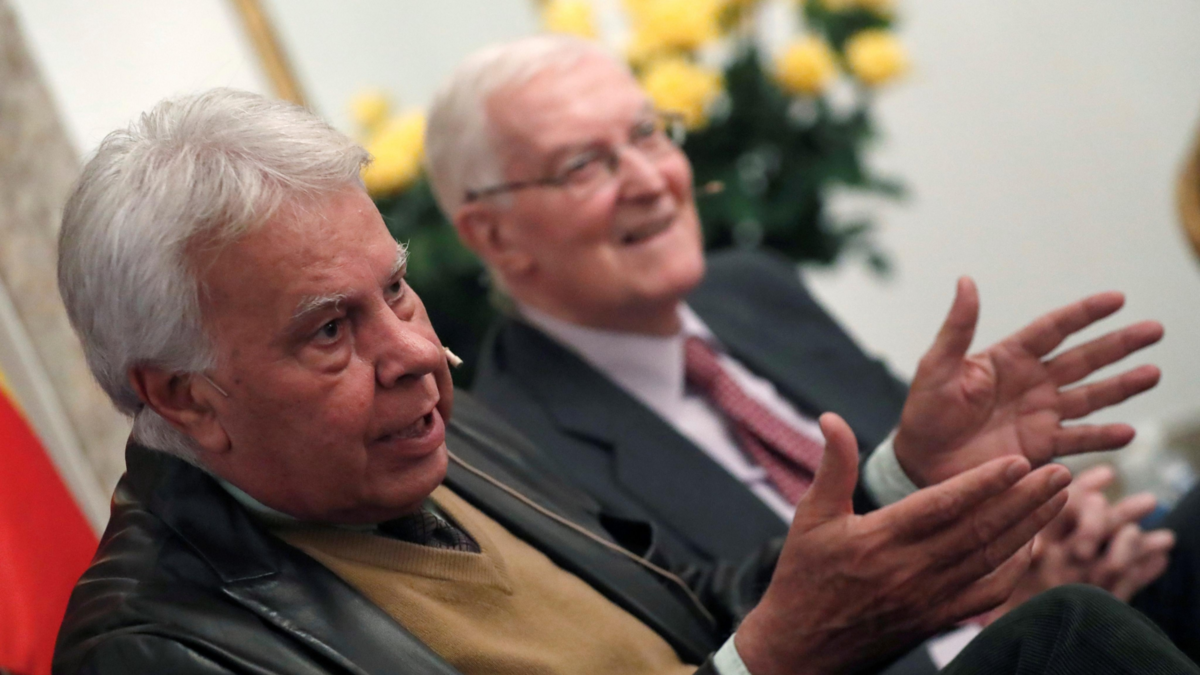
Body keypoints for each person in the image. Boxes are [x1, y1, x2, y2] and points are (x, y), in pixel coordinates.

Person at [52, 88, 1194, 675]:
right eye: (328, 331)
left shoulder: (432, 431)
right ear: (183, 395)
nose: (413, 351)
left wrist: (905, 478)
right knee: (1070, 641)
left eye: (396, 289)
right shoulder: (155, 648)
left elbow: (688, 608)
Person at [425, 34, 1182, 642]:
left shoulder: (754, 288)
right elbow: (714, 641)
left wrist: (1030, 527)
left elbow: (934, 469)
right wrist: (1007, 619)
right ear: (494, 234)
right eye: (585, 164)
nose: (651, 181)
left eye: (648, 134)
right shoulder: (513, 449)